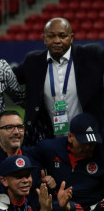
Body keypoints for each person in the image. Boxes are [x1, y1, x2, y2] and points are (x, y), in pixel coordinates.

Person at [15, 17, 104, 145]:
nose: (57, 40)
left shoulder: (92, 55)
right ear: (44, 38)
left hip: (88, 140)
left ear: (71, 38)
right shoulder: (33, 62)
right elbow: (9, 77)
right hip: (51, 142)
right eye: (51, 36)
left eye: (62, 36)